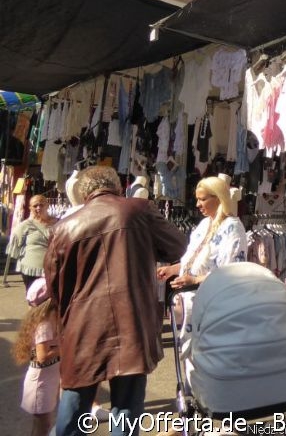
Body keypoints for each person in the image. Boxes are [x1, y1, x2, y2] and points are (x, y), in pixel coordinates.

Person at [44, 166, 186, 436]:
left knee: (74, 406)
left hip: (82, 328)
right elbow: (179, 247)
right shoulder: (139, 210)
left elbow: (55, 289)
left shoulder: (63, 228)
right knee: (127, 409)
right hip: (131, 323)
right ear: (117, 186)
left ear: (84, 193)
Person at [156, 176, 247, 350]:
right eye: (197, 199)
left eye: (203, 199)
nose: (197, 204)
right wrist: (173, 270)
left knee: (208, 359)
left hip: (214, 308)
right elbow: (194, 260)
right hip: (191, 307)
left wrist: (195, 280)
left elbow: (231, 272)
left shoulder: (233, 227)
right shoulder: (205, 224)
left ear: (218, 198)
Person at [14, 277, 60, 436]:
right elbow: (42, 355)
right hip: (40, 385)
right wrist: (66, 346)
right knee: (43, 426)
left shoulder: (48, 320)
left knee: (43, 425)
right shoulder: (44, 324)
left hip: (46, 381)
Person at [12, 194, 57, 291]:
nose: (38, 208)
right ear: (30, 208)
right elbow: (14, 243)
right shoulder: (26, 224)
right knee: (34, 299)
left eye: (41, 204)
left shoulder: (58, 222)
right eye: (35, 206)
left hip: (53, 268)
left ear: (47, 205)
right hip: (31, 269)